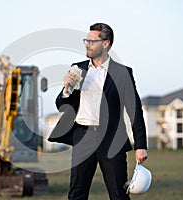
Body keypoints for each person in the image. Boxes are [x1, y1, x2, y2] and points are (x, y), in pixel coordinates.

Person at [48, 23, 148, 200]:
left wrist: (140, 145)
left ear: (106, 43)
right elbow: (61, 105)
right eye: (86, 40)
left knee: (118, 193)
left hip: (112, 139)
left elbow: (135, 110)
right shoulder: (78, 69)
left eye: (92, 41)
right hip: (82, 136)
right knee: (77, 193)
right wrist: (66, 89)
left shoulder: (123, 73)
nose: (87, 44)